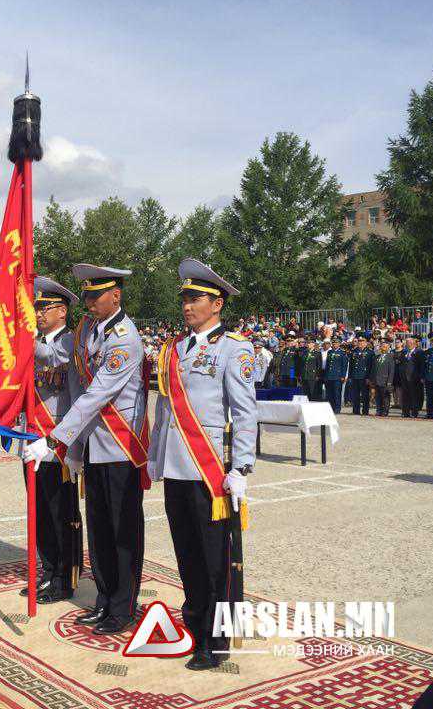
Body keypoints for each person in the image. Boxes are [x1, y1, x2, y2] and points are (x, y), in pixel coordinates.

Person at [24, 264, 149, 636]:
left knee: (122, 531)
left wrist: (56, 438)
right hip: (93, 444)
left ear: (116, 296)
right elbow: (72, 382)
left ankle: (123, 606)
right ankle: (105, 599)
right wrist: (76, 445)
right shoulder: (86, 330)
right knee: (98, 530)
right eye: (88, 295)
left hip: (120, 444)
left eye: (96, 296)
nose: (89, 302)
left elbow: (97, 395)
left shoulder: (126, 338)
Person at [147, 259, 256, 670]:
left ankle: (216, 637)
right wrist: (157, 458)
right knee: (187, 552)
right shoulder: (173, 349)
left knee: (215, 559)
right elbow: (165, 412)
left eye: (196, 299)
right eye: (185, 299)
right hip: (177, 467)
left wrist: (241, 468)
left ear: (217, 304)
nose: (187, 306)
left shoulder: (235, 348)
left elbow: (245, 412)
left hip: (211, 473)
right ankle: (194, 624)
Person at [21, 276, 82, 604]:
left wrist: (71, 445)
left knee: (62, 514)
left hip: (57, 441)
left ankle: (65, 576)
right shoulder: (32, 343)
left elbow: (73, 394)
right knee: (39, 511)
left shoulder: (71, 343)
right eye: (36, 308)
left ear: (62, 311)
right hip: (32, 438)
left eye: (44, 308)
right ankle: (46, 571)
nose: (39, 314)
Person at [348, 333, 375, 415]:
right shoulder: (354, 351)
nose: (360, 342)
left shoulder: (370, 353)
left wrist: (369, 378)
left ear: (366, 342)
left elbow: (371, 367)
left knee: (365, 395)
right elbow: (351, 365)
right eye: (359, 341)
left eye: (362, 341)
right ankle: (356, 410)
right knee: (355, 395)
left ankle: (365, 411)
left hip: (364, 377)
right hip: (355, 376)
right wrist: (350, 376)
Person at [399, 335, 424, 418]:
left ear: (414, 344)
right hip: (404, 377)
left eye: (410, 343)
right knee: (405, 396)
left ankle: (414, 412)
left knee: (414, 396)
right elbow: (401, 365)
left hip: (414, 378)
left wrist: (421, 377)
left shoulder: (419, 352)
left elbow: (422, 366)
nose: (409, 344)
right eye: (407, 343)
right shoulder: (404, 352)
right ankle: (405, 412)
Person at [370, 338, 395, 416]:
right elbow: (373, 369)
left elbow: (391, 371)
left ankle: (385, 411)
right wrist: (372, 380)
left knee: (385, 397)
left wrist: (389, 382)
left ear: (388, 348)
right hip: (376, 380)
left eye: (385, 346)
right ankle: (379, 410)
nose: (383, 348)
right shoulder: (376, 357)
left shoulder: (391, 357)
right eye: (382, 346)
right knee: (378, 397)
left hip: (385, 381)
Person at [322, 339, 348, 413]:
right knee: (330, 394)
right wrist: (326, 375)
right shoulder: (330, 352)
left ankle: (337, 408)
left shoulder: (342, 353)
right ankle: (331, 408)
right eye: (333, 343)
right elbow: (327, 365)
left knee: (337, 393)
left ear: (339, 344)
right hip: (329, 376)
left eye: (336, 343)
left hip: (338, 376)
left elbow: (344, 366)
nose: (334, 344)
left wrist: (343, 376)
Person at [299, 335, 322, 400]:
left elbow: (319, 366)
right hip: (304, 375)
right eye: (307, 343)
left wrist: (317, 375)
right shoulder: (304, 352)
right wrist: (300, 374)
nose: (308, 344)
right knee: (305, 392)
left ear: (313, 344)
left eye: (309, 343)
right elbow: (302, 364)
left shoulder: (317, 353)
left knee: (312, 392)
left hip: (312, 375)